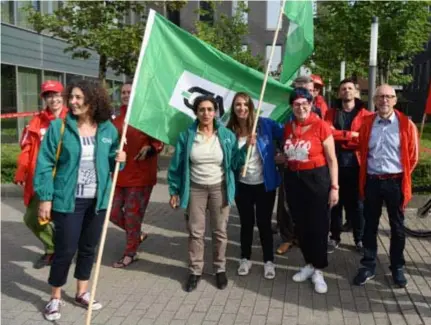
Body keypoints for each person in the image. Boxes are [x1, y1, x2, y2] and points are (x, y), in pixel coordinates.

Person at [34, 80, 126, 321]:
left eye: (77, 98)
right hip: (68, 200)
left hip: (97, 200)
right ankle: (54, 297)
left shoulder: (107, 129)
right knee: (65, 249)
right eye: (70, 97)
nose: (72, 102)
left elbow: (114, 161)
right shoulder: (59, 128)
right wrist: (45, 198)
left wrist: (121, 158)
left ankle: (81, 292)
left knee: (88, 248)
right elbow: (44, 164)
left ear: (92, 100)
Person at [168, 95, 250, 292]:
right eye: (202, 109)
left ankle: (219, 269)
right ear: (196, 112)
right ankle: (195, 271)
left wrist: (247, 147)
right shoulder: (186, 136)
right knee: (196, 232)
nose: (206, 113)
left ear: (215, 112)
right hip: (195, 188)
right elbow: (176, 165)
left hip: (219, 187)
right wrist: (174, 190)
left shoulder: (227, 135)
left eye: (209, 109)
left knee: (219, 231)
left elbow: (235, 163)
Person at [353, 85, 419, 288]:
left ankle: (397, 267)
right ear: (374, 99)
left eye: (389, 96)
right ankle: (369, 264)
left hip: (395, 182)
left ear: (395, 100)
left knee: (397, 228)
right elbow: (360, 151)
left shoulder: (406, 124)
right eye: (380, 96)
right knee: (370, 226)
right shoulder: (366, 123)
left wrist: (400, 177)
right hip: (372, 181)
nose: (384, 100)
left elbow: (413, 156)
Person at [282, 87, 339, 294]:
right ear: (291, 107)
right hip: (294, 179)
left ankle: (319, 269)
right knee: (301, 224)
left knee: (319, 225)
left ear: (311, 104)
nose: (301, 107)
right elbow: (288, 153)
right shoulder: (288, 127)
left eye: (304, 103)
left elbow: (332, 160)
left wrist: (334, 187)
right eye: (296, 104)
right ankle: (308, 263)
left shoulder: (321, 126)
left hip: (317, 179)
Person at [226, 92, 283, 279]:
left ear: (251, 107)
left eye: (245, 104)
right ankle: (245, 258)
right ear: (233, 108)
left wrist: (283, 153)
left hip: (264, 184)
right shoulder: (228, 131)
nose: (241, 108)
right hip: (242, 185)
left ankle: (269, 261)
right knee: (246, 223)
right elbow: (231, 161)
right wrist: (245, 146)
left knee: (264, 223)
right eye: (237, 105)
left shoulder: (265, 124)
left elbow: (287, 131)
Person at [14, 80, 68, 269]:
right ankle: (52, 247)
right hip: (43, 179)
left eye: (56, 94)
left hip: (66, 178)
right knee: (32, 218)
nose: (53, 99)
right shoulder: (36, 121)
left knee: (67, 219)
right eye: (49, 95)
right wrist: (22, 169)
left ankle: (66, 252)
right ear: (45, 98)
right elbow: (27, 148)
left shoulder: (73, 118)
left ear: (63, 96)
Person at [110, 80, 164, 268]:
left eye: (129, 92)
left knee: (133, 215)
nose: (126, 95)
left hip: (141, 176)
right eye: (123, 92)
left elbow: (159, 142)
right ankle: (137, 235)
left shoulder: (147, 117)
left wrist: (151, 147)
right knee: (112, 211)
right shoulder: (115, 120)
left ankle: (130, 252)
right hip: (119, 176)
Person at [324, 78, 372, 253]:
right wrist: (350, 135)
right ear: (339, 93)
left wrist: (342, 136)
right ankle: (334, 237)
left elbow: (363, 139)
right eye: (343, 88)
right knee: (334, 203)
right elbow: (328, 134)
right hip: (334, 164)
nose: (346, 91)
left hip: (356, 166)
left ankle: (359, 238)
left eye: (350, 88)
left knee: (357, 205)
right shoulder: (331, 113)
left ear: (356, 93)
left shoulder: (366, 115)